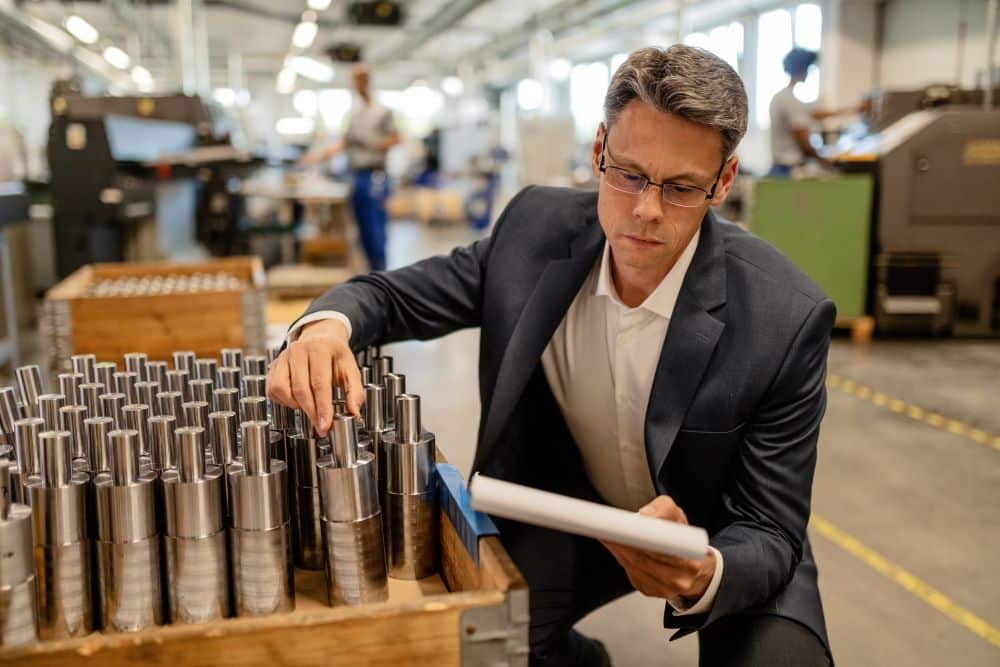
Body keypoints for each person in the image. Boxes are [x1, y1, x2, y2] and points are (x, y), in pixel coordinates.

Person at [269, 45, 835, 666]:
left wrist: (705, 574)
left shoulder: (783, 318)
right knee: (494, 645)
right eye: (628, 174)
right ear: (598, 151)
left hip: (716, 538)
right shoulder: (533, 231)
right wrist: (324, 329)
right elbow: (394, 296)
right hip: (572, 506)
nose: (646, 210)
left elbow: (770, 525)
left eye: (680, 188)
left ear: (723, 182)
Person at [302, 63, 400, 270]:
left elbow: (396, 138)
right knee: (362, 229)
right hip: (357, 176)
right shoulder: (355, 114)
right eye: (354, 80)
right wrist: (319, 156)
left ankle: (381, 274)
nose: (357, 84)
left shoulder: (382, 112)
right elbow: (345, 142)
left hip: (375, 176)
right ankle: (371, 275)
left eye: (361, 79)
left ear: (368, 81)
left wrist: (372, 143)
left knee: (376, 230)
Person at [768, 47, 865, 176]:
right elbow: (805, 144)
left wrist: (855, 109)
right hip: (790, 169)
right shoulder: (790, 101)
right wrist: (827, 162)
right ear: (802, 69)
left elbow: (816, 113)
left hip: (780, 167)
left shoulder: (781, 97)